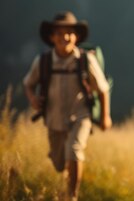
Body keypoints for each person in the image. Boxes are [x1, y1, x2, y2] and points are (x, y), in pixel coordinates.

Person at [23, 11, 112, 201]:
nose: (65, 37)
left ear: (76, 36)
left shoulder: (86, 60)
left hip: (80, 116)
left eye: (69, 32)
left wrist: (105, 116)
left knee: (74, 150)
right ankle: (66, 171)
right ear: (51, 37)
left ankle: (71, 196)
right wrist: (32, 98)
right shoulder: (43, 62)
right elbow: (28, 83)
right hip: (54, 119)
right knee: (58, 163)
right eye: (59, 33)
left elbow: (103, 89)